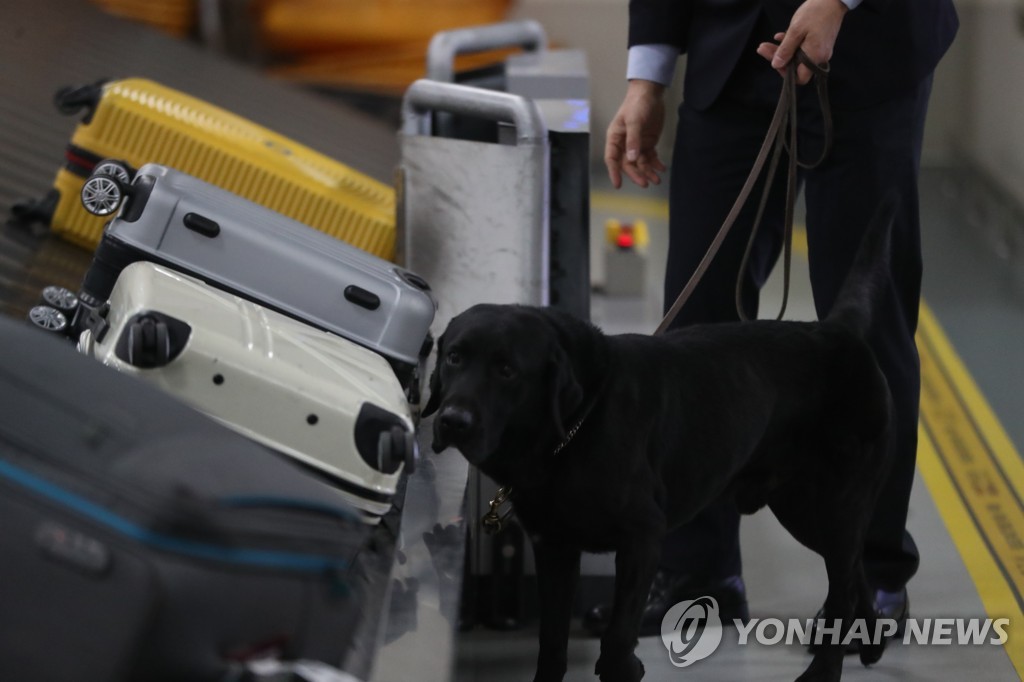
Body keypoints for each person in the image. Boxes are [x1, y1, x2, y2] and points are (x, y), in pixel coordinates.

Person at [585, 0, 960, 637]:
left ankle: (872, 576)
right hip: (730, 57)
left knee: (866, 321)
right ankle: (697, 572)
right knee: (696, 320)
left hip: (868, 55)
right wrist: (646, 80)